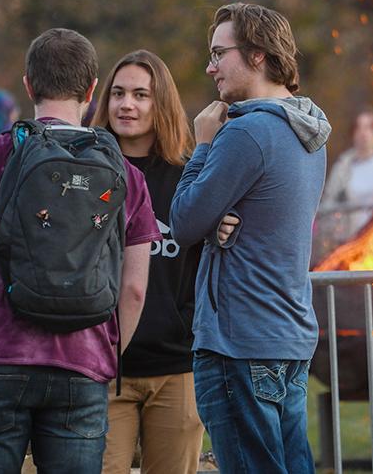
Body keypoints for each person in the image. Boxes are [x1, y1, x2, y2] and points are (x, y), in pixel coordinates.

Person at [0, 28, 159, 474]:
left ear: (28, 84)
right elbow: (134, 289)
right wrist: (107, 355)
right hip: (81, 365)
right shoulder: (126, 176)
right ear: (93, 90)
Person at [169, 2, 331, 473]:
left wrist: (201, 144)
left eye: (220, 53)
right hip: (286, 337)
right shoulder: (308, 131)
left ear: (257, 55)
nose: (210, 66)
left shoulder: (248, 131)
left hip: (237, 343)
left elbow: (183, 222)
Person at [92, 50, 238, 474]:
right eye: (118, 93)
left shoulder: (188, 176)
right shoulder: (87, 173)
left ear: (162, 104)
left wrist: (222, 223)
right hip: (103, 367)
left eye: (141, 94)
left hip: (177, 368)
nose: (126, 105)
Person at [317, 109, 373, 243]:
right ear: (353, 133)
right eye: (359, 128)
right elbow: (328, 203)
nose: (364, 133)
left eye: (369, 127)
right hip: (355, 241)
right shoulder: (343, 165)